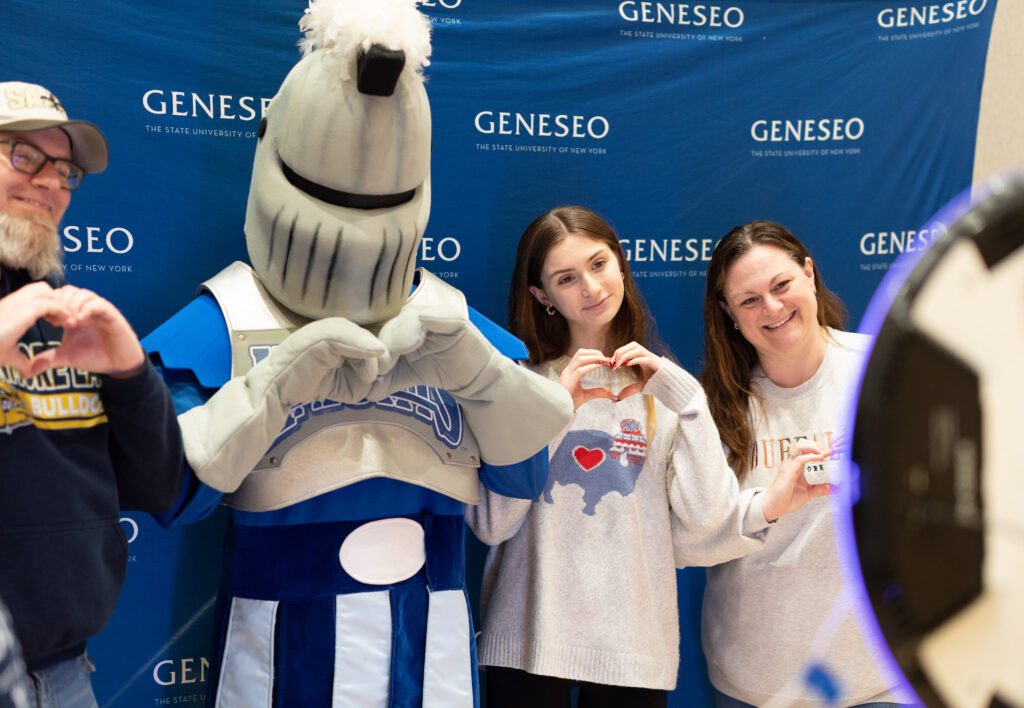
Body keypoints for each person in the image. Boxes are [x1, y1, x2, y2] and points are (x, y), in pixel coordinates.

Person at [144, 2, 572, 705]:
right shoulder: (222, 325)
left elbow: (522, 475)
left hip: (427, 628)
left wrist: (480, 373)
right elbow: (175, 495)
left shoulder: (452, 328)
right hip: (282, 636)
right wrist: (269, 389)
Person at [466, 206, 830, 708]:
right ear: (541, 295)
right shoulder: (517, 385)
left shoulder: (669, 391)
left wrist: (689, 401)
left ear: (620, 264)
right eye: (566, 279)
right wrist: (552, 414)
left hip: (633, 654)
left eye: (598, 265)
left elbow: (706, 522)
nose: (591, 289)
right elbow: (490, 523)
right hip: (527, 645)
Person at [0, 81, 184, 707]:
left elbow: (159, 488)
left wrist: (132, 374)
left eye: (66, 171)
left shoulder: (69, 318)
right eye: (23, 157)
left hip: (64, 675)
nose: (51, 184)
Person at [699, 220, 907, 707]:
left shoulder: (886, 371)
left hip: (879, 677)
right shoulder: (711, 406)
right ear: (728, 313)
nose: (772, 308)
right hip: (757, 685)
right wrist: (765, 508)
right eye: (749, 300)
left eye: (781, 285)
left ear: (809, 274)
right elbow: (688, 540)